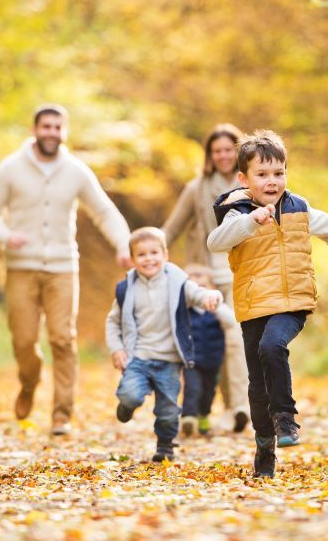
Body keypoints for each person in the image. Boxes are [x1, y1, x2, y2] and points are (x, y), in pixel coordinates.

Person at [207, 130, 328, 478]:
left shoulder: (298, 207)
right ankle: (265, 445)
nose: (272, 181)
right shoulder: (238, 212)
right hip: (254, 305)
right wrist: (251, 221)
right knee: (256, 382)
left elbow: (327, 226)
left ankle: (286, 419)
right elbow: (215, 242)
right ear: (244, 179)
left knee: (272, 345)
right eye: (262, 174)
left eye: (278, 173)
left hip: (293, 301)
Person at [0, 104, 133, 436]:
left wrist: (123, 245)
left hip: (63, 267)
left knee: (63, 338)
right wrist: (6, 236)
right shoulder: (10, 168)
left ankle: (61, 415)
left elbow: (104, 211)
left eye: (57, 127)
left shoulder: (76, 171)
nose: (51, 132)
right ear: (34, 130)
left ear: (65, 132)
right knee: (23, 340)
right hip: (21, 267)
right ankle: (29, 381)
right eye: (45, 126)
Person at [161, 124, 251, 433]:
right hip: (204, 277)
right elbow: (171, 228)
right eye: (217, 151)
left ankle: (240, 406)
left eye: (229, 149)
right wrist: (147, 251)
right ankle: (204, 408)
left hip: (240, 273)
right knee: (206, 344)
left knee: (236, 339)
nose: (224, 155)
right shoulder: (197, 188)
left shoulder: (251, 187)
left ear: (238, 151)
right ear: (210, 155)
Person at [105, 228, 223, 462]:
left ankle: (166, 445)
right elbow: (113, 321)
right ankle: (127, 406)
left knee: (168, 410)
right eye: (141, 255)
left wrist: (212, 297)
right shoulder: (126, 289)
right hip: (138, 356)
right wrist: (116, 348)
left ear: (165, 255)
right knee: (130, 395)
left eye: (154, 253)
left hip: (168, 360)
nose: (149, 258)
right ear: (132, 260)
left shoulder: (178, 283)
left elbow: (197, 293)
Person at [179, 264, 240, 438]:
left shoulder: (217, 312)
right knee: (192, 388)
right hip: (191, 360)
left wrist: (215, 305)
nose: (199, 294)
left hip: (213, 360)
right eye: (194, 289)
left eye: (203, 288)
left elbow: (231, 322)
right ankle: (188, 417)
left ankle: (203, 414)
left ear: (212, 289)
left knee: (208, 391)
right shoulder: (184, 311)